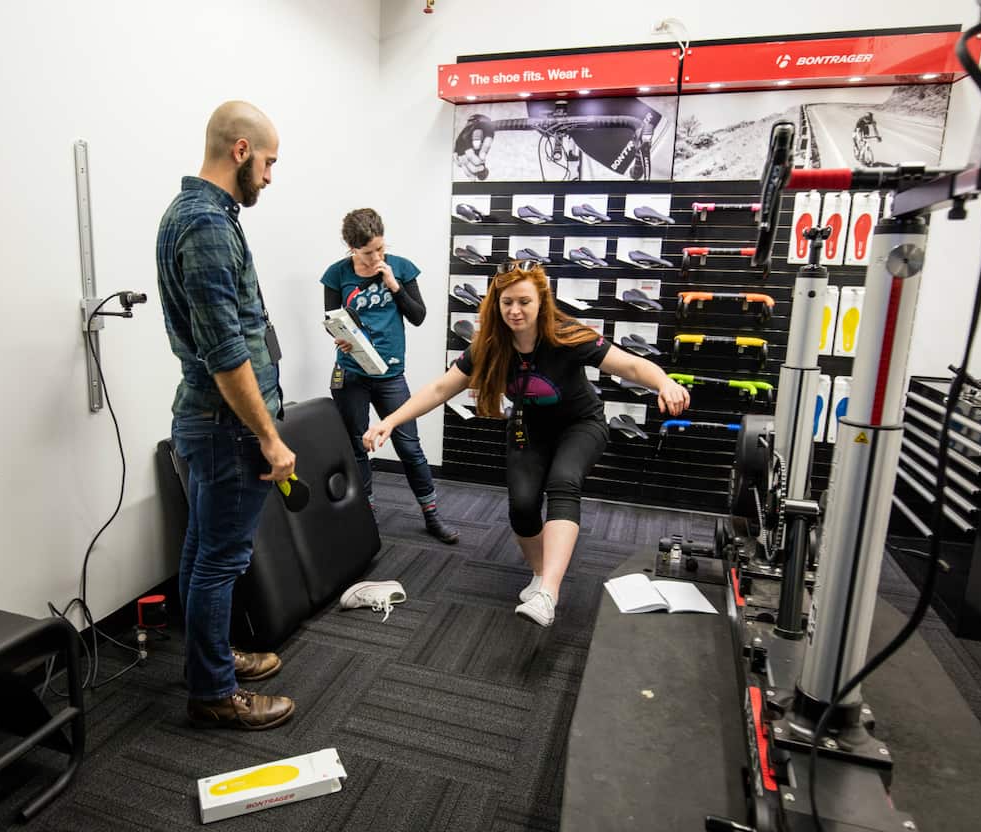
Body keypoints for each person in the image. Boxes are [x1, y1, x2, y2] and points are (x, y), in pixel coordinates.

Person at [363, 261, 690, 628]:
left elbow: (628, 366)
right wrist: (390, 421)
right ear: (496, 304)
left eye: (524, 302)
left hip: (580, 425)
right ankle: (540, 575)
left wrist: (663, 383)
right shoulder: (489, 346)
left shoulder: (567, 336)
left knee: (563, 482)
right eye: (507, 303)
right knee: (521, 506)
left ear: (541, 302)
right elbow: (441, 388)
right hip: (529, 427)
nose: (515, 311)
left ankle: (549, 591)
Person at [156, 100, 295, 730]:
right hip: (227, 427)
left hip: (208, 423)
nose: (269, 176)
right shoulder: (207, 226)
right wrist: (268, 437)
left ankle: (209, 660)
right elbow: (225, 352)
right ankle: (213, 691)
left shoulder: (200, 214)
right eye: (267, 162)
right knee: (220, 559)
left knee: (202, 550)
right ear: (240, 150)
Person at [322, 209, 459, 544]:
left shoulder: (400, 267)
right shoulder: (336, 275)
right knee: (357, 447)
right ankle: (367, 517)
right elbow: (331, 320)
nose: (376, 257)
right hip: (351, 372)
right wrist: (338, 335)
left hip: (390, 374)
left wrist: (394, 285)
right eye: (368, 252)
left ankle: (431, 515)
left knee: (409, 447)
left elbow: (418, 316)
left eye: (380, 249)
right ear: (352, 247)